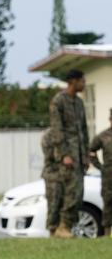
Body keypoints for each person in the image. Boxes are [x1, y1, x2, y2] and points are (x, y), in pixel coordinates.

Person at [44, 69, 89, 239]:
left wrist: (85, 156)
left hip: (79, 155)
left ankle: (65, 226)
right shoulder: (58, 101)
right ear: (73, 81)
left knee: (78, 192)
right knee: (69, 192)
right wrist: (64, 154)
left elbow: (84, 131)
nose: (84, 84)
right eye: (82, 81)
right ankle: (61, 226)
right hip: (67, 156)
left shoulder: (79, 103)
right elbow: (57, 129)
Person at [88, 108, 112, 237]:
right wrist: (100, 167)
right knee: (108, 203)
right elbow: (91, 151)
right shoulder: (103, 136)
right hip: (109, 175)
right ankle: (107, 233)